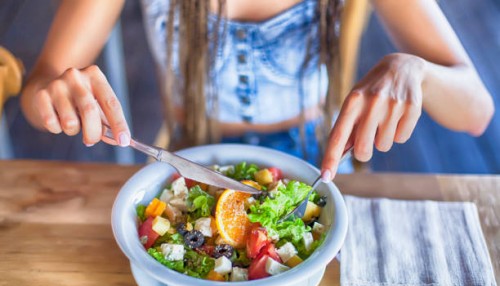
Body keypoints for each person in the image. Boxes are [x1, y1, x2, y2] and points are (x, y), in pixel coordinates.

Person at [20, 0, 494, 181]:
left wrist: (417, 71)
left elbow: (476, 110)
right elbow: (40, 85)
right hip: (190, 162)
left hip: (320, 171)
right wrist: (52, 96)